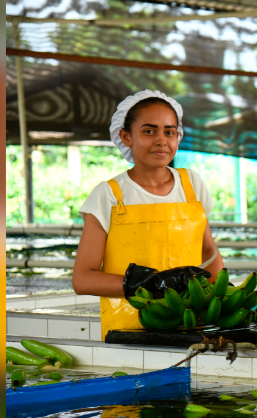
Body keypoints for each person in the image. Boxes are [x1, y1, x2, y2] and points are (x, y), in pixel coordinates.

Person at [72, 90, 226, 340]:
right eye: (149, 131)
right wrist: (149, 284)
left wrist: (221, 299)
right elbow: (82, 279)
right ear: (126, 136)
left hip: (191, 324)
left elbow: (208, 253)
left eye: (169, 131)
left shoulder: (191, 184)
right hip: (128, 329)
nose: (161, 140)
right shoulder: (110, 194)